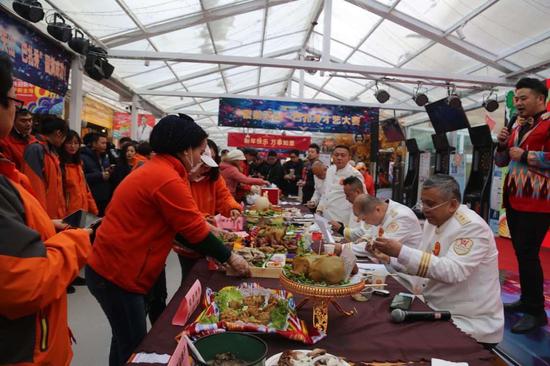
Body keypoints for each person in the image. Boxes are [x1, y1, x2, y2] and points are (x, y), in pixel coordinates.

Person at [86, 115, 251, 366]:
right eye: (200, 150)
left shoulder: (160, 169)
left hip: (114, 269)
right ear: (186, 150)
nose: (201, 157)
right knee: (133, 345)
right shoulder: (165, 177)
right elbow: (193, 231)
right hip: (118, 274)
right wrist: (231, 258)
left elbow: (182, 224)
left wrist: (212, 234)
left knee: (123, 340)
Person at [0, 51, 92, 366]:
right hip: (22, 351)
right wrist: (78, 240)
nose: (19, 113)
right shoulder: (35, 154)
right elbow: (26, 283)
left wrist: (43, 226)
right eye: (15, 102)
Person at [373, 175, 504, 345]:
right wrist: (391, 258)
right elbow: (423, 264)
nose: (425, 209)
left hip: (469, 321)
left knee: (399, 342)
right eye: (423, 202)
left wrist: (401, 251)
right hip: (436, 307)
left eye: (431, 204)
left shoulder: (472, 227)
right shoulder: (433, 220)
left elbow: (453, 271)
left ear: (453, 204)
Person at [494, 77, 550, 333]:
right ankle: (527, 301)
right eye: (516, 99)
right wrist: (503, 144)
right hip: (514, 199)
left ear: (540, 98)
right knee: (522, 254)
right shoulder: (516, 126)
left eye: (523, 98)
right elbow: (501, 162)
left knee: (528, 255)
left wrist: (528, 155)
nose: (518, 103)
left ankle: (536, 312)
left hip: (538, 202)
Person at [354, 194, 423, 291]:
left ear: (377, 209)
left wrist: (343, 247)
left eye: (364, 219)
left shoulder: (402, 216)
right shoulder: (381, 214)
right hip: (387, 269)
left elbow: (377, 246)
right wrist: (365, 238)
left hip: (403, 278)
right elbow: (371, 237)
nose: (365, 223)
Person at [22, 115, 68, 219]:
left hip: (52, 216)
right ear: (59, 133)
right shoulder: (36, 149)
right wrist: (42, 217)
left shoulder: (50, 151)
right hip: (43, 216)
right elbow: (35, 187)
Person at [316, 145, 364, 224]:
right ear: (332, 156)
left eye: (343, 155)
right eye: (336, 155)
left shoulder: (354, 174)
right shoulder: (330, 170)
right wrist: (319, 209)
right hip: (326, 217)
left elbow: (361, 199)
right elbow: (325, 192)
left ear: (349, 158)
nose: (339, 158)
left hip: (342, 219)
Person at [60, 129, 98, 216]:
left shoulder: (79, 164)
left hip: (82, 211)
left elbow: (85, 189)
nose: (73, 146)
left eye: (76, 143)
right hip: (67, 213)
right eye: (69, 143)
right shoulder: (59, 164)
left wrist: (93, 209)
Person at [81, 133, 112, 216]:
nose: (105, 146)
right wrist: (100, 175)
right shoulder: (83, 157)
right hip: (92, 197)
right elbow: (81, 177)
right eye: (102, 143)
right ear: (94, 144)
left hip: (104, 196)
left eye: (106, 143)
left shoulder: (104, 156)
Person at [329, 176, 365, 241]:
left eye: (348, 195)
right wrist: (341, 226)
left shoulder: (368, 207)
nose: (346, 198)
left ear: (358, 192)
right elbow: (352, 227)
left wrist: (341, 229)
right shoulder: (356, 204)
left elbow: (363, 233)